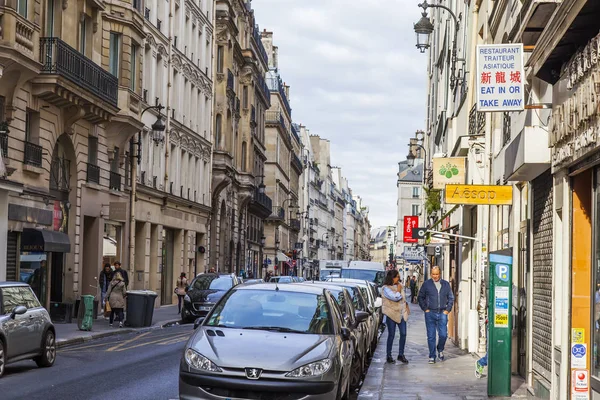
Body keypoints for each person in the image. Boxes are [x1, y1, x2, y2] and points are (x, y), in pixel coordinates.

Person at [418, 266, 455, 364]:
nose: (435, 276)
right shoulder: (426, 284)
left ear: (440, 274)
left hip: (442, 312)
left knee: (443, 335)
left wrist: (447, 310)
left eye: (437, 274)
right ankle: (432, 356)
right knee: (431, 336)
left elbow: (451, 298)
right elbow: (420, 297)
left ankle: (440, 349)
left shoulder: (446, 284)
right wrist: (425, 309)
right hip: (430, 313)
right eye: (433, 274)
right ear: (431, 274)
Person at [382, 269, 410, 364]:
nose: (399, 278)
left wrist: (406, 306)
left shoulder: (400, 286)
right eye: (397, 276)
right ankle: (388, 355)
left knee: (403, 333)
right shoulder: (386, 288)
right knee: (391, 335)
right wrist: (398, 290)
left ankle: (401, 354)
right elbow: (395, 297)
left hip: (401, 314)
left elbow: (403, 298)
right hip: (391, 314)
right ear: (392, 277)